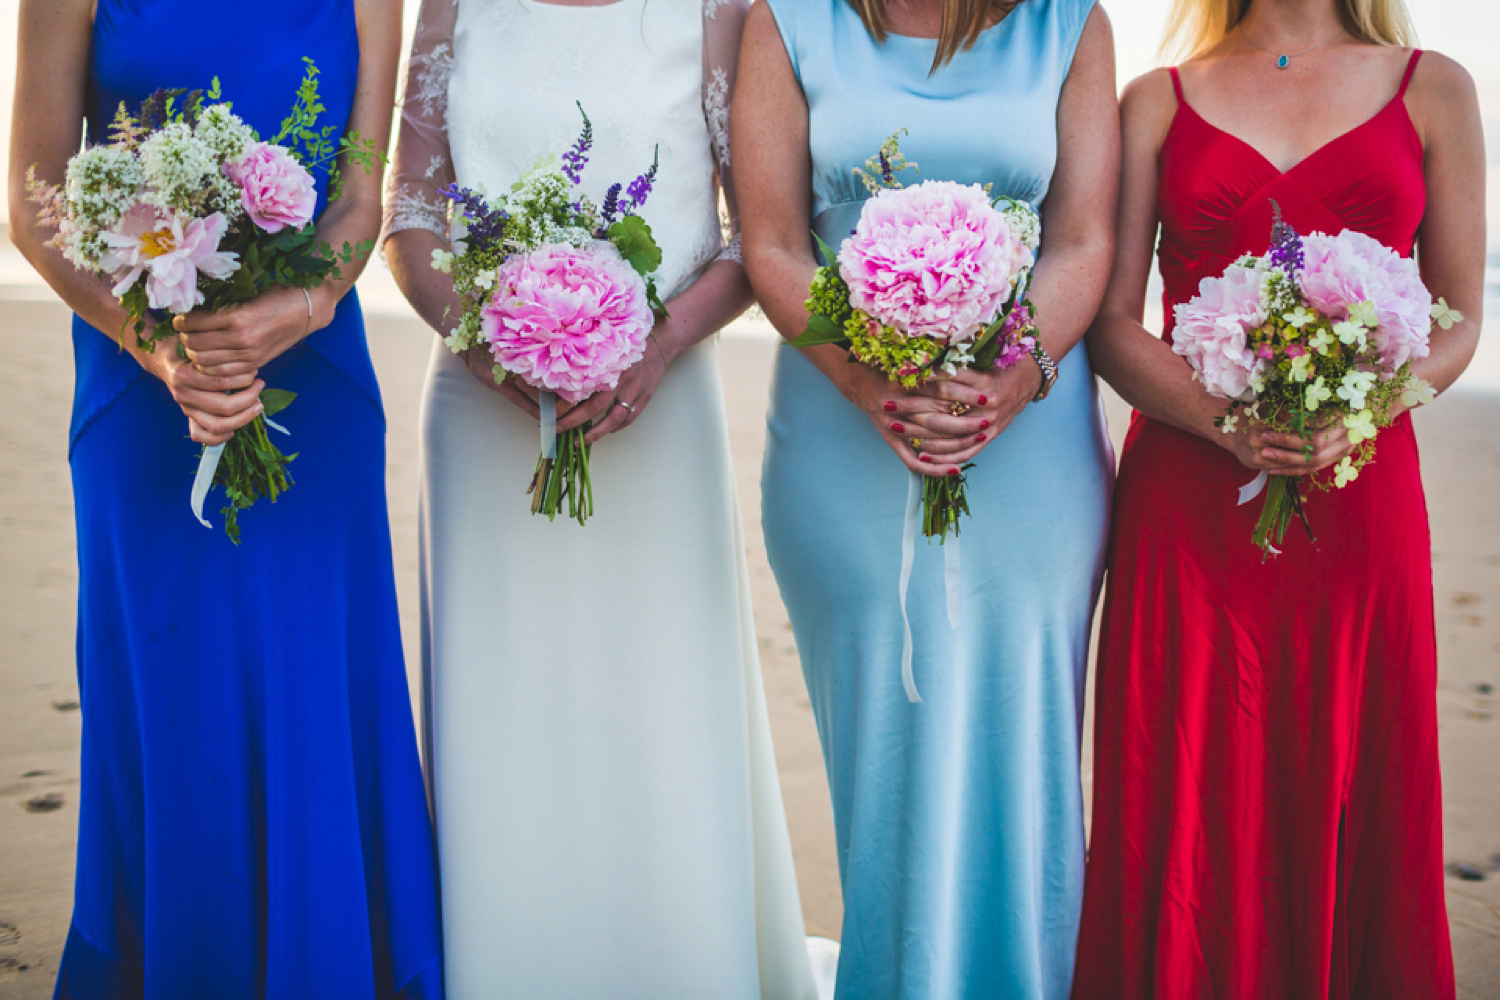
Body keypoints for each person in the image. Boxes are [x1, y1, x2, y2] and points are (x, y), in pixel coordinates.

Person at [381, 1, 819, 996]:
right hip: (477, 404)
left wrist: (653, 344)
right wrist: (490, 342)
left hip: (656, 402)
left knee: (660, 702)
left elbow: (756, 235)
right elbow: (411, 209)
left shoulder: (719, 9)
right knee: (505, 704)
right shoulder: (453, 4)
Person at [7, 0, 444, 995]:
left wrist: (301, 304)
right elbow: (34, 200)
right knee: (170, 698)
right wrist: (155, 341)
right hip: (139, 383)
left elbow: (361, 200)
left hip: (314, 379)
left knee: (310, 686)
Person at [1071, 0, 1483, 995]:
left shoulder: (1434, 86)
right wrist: (1222, 421)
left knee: (1355, 763)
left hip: (1362, 484)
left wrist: (1371, 405)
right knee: (1188, 773)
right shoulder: (1155, 101)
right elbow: (1112, 324)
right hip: (1188, 491)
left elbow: (1460, 314)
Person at [735, 0, 1119, 995]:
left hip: (1030, 430)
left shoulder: (1069, 24)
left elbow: (1082, 239)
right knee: (885, 731)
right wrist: (871, 384)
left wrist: (1015, 377)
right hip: (839, 414)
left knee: (1022, 723)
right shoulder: (788, 19)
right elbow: (772, 241)